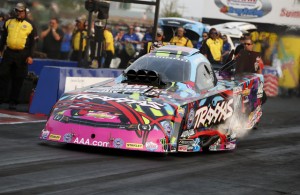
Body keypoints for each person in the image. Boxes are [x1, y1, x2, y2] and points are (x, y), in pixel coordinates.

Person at [0, 2, 35, 109]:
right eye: (17, 10)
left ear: (25, 12)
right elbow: (3, 38)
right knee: (2, 75)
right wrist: (0, 49)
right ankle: (1, 99)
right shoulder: (8, 22)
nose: (19, 13)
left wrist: (30, 56)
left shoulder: (30, 24)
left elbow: (32, 43)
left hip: (22, 55)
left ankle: (13, 102)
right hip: (9, 53)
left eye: (21, 11)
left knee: (18, 78)